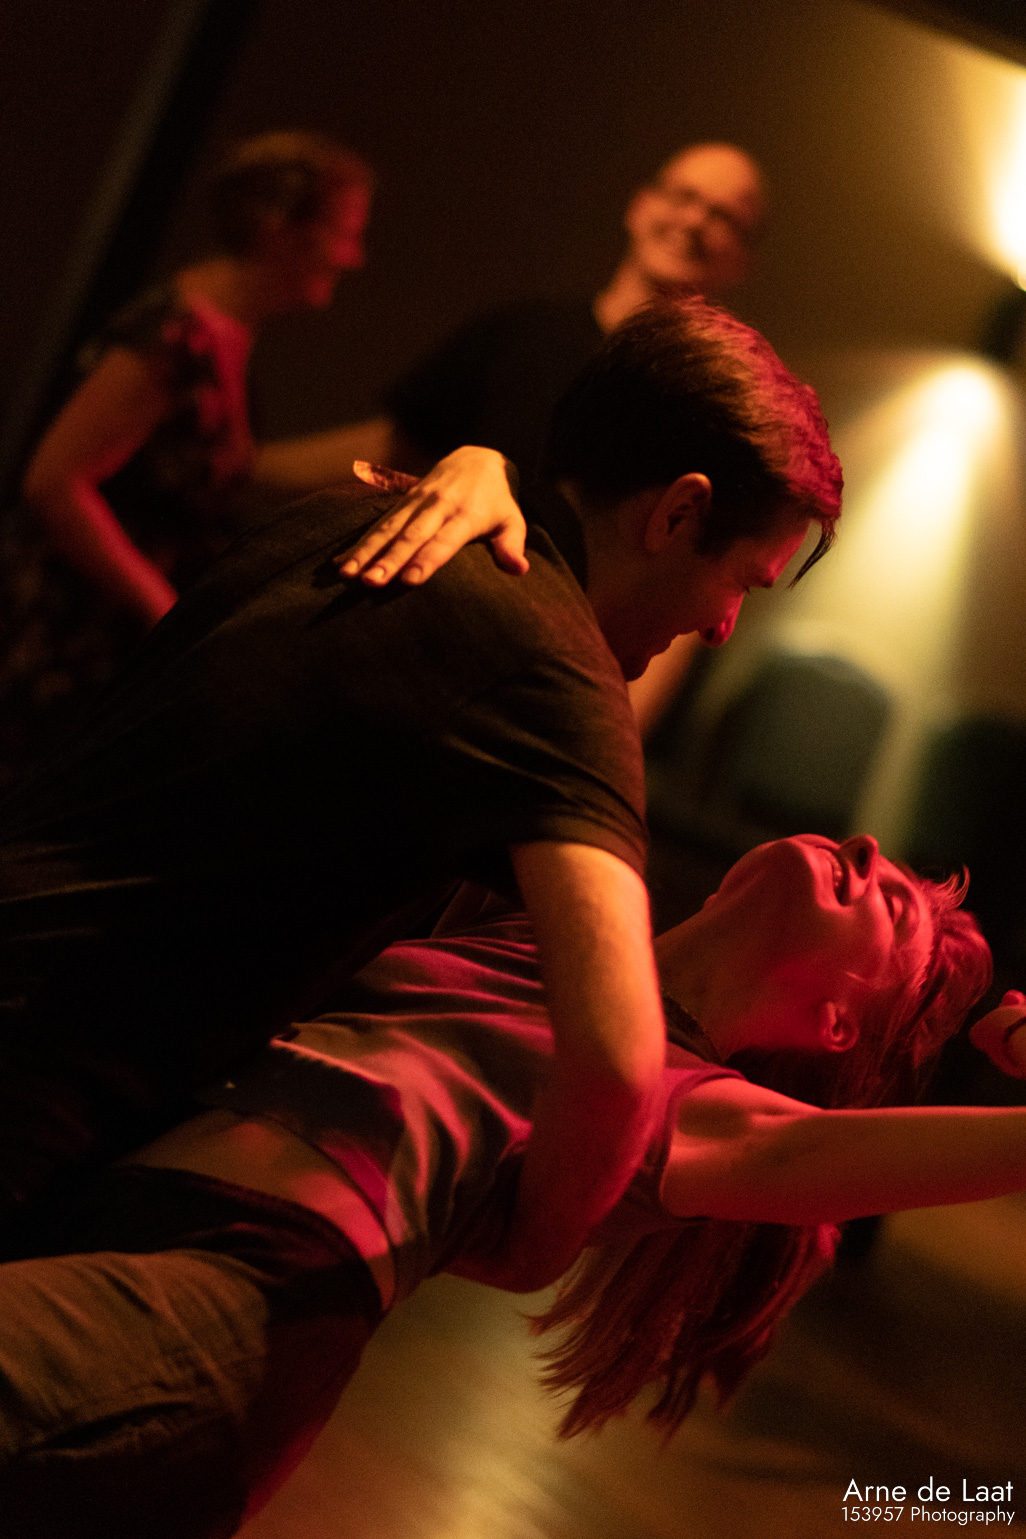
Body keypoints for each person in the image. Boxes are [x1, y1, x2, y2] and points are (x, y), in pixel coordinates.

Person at [0, 298, 841, 1290]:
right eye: (743, 580)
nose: (725, 626)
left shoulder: (354, 514)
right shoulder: (554, 671)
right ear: (678, 513)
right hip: (39, 1078)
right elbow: (619, 1062)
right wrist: (528, 1252)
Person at [0, 832, 1004, 1537]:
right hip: (105, 1217)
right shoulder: (540, 932)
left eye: (894, 909)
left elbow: (817, 1158)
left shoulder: (693, 1105)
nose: (867, 847)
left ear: (835, 1025)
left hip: (231, 1306)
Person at [251, 142, 769, 734]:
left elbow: (690, 598)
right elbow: (395, 449)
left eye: (723, 216)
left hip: (526, 712)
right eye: (684, 196)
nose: (695, 220)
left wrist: (603, 749)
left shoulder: (708, 420)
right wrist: (248, 465)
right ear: (641, 205)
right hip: (398, 657)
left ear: (742, 260)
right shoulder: (524, 333)